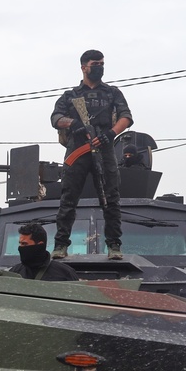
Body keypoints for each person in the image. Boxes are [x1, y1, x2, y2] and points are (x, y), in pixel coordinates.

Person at [50, 49, 133, 260]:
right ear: (84, 67)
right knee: (68, 199)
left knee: (111, 199)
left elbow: (126, 117)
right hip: (77, 151)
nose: (100, 68)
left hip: (104, 150)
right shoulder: (71, 96)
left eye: (102, 64)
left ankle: (114, 245)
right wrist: (73, 123)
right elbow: (55, 118)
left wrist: (110, 134)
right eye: (95, 64)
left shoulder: (112, 93)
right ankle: (60, 246)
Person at [9, 222, 79, 281]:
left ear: (39, 245)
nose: (21, 247)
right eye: (20, 243)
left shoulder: (65, 274)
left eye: (24, 244)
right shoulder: (14, 273)